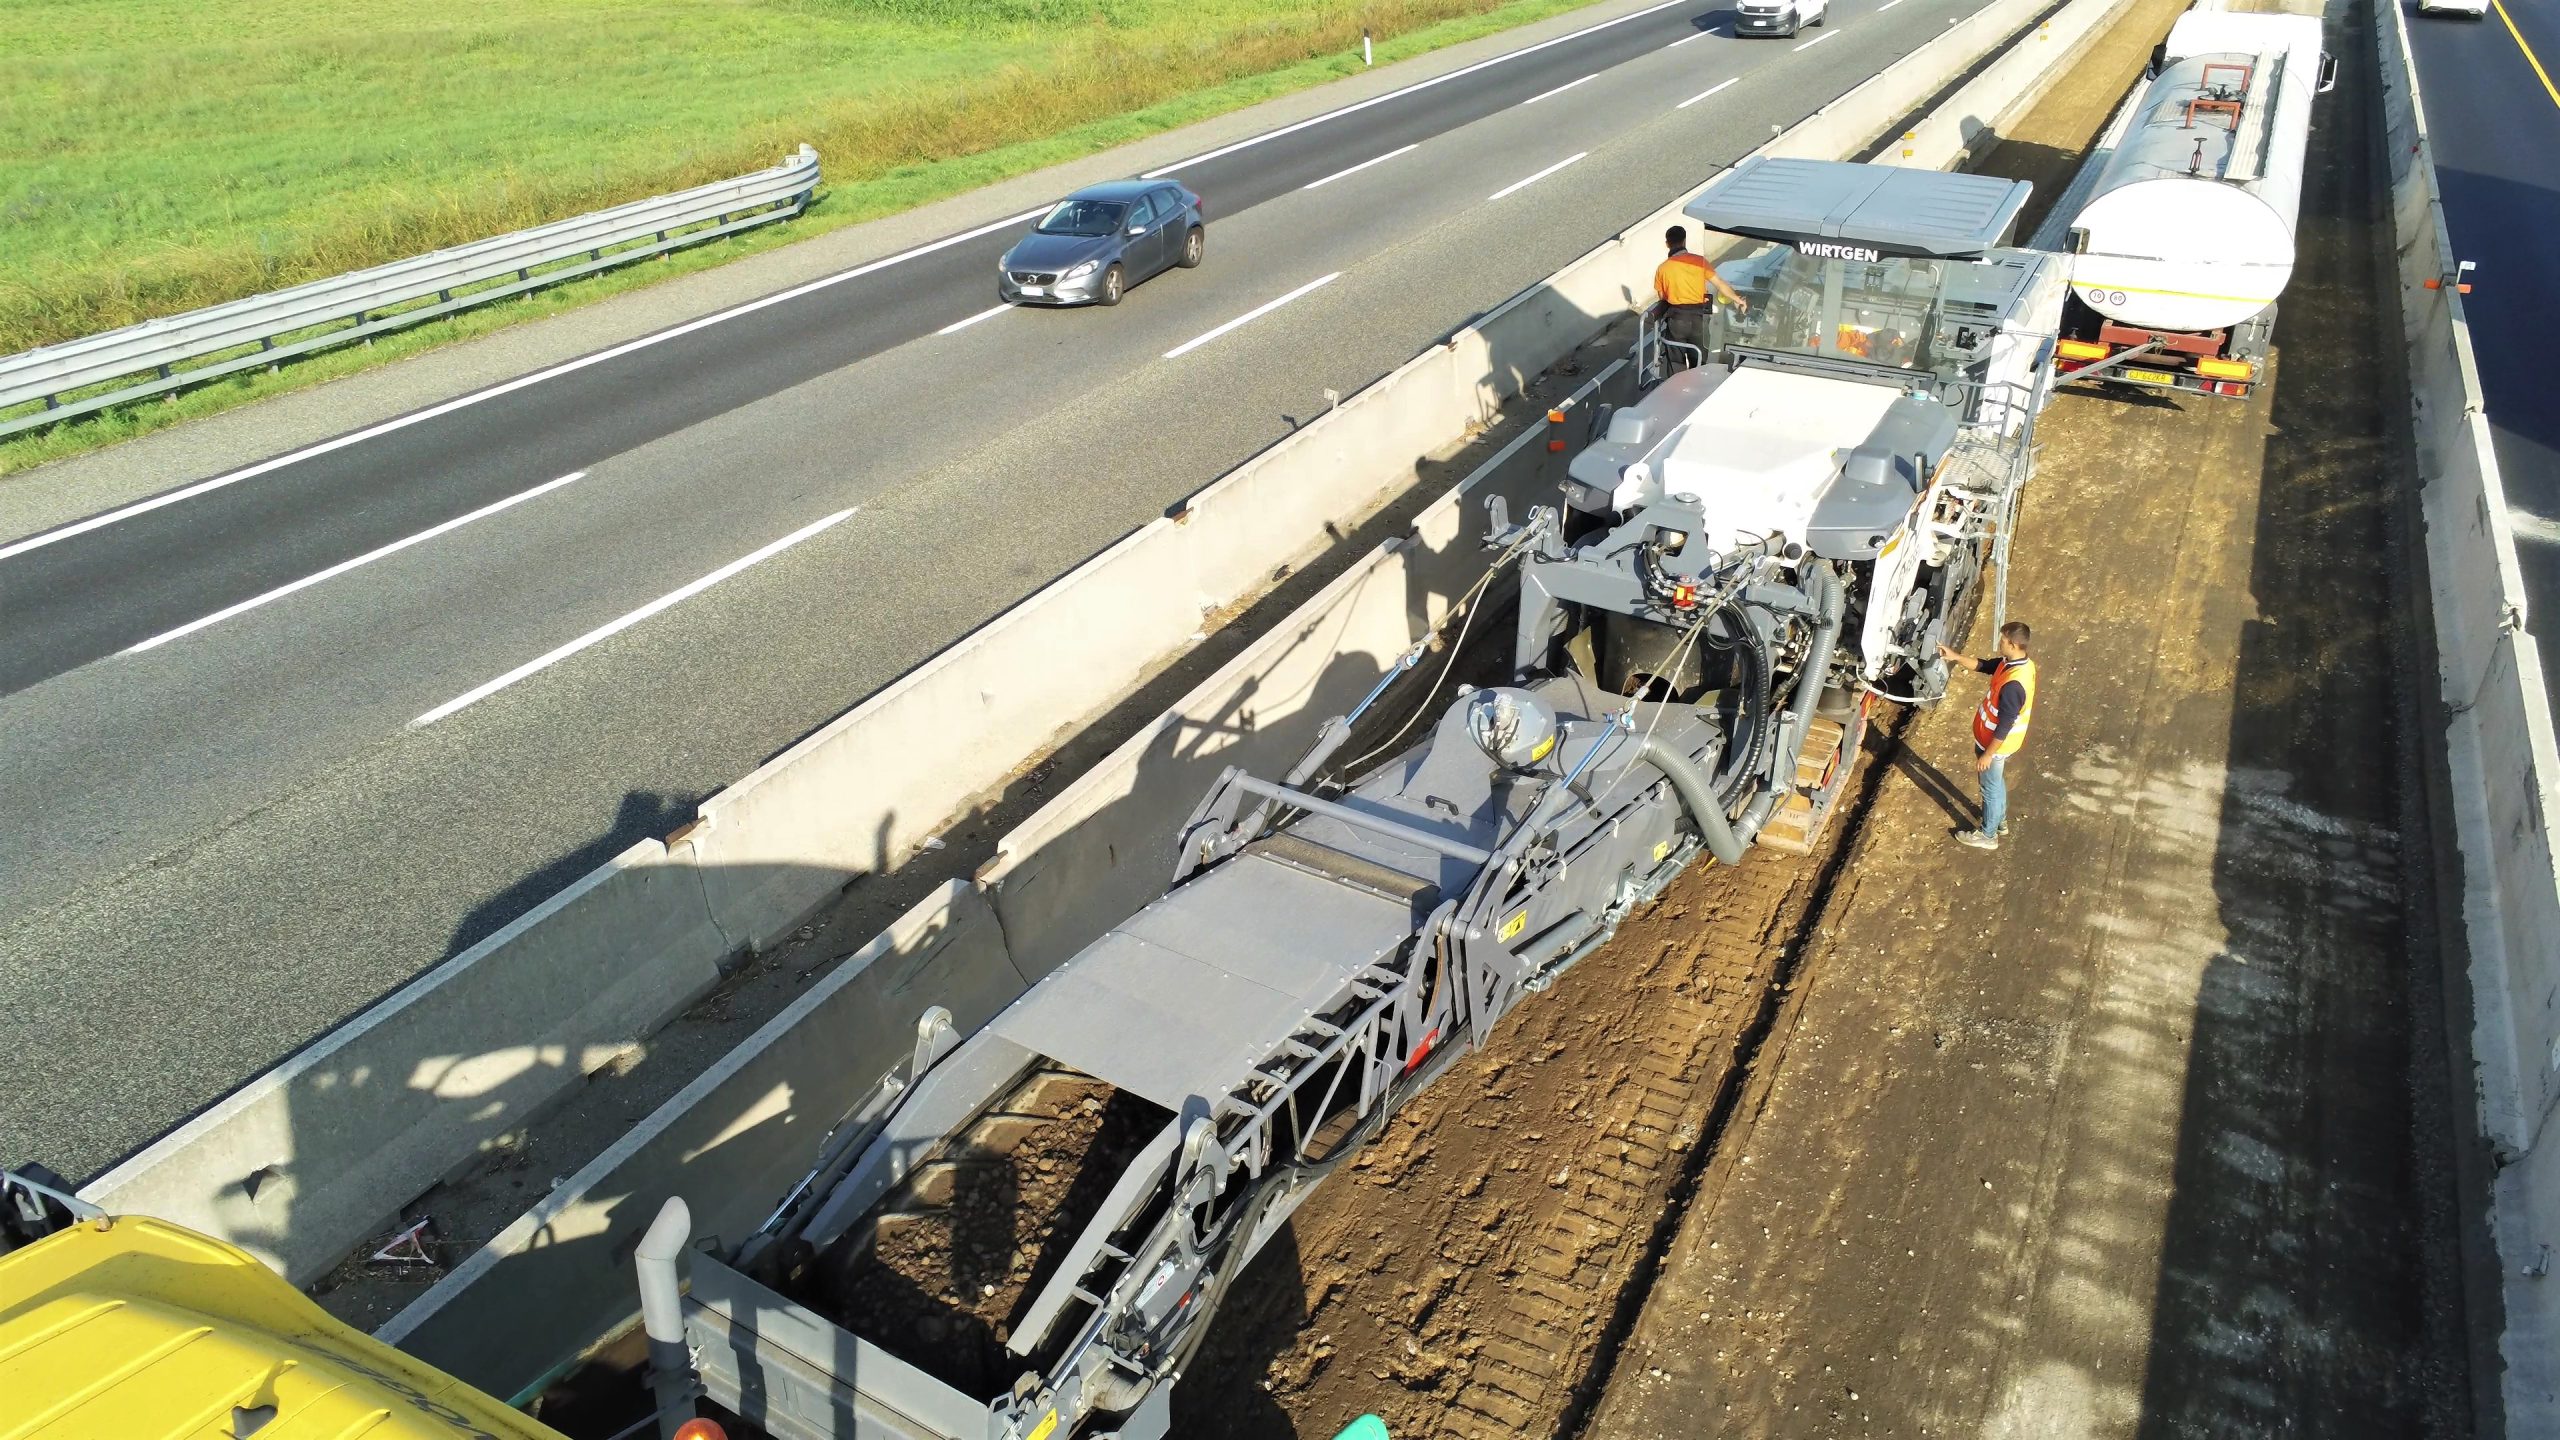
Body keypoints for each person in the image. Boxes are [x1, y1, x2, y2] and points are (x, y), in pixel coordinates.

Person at [1936, 621, 2036, 850]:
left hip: (1995, 744)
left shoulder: (2014, 684)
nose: (1999, 643)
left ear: (2012, 644)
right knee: (1995, 783)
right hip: (1990, 740)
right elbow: (1985, 665)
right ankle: (1999, 822)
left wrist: (1988, 755)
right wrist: (1956, 657)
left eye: (2002, 640)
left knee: (1989, 788)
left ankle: (1988, 835)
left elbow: (2005, 724)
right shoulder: (2015, 664)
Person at [1653, 225, 1746, 372]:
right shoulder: (1699, 261)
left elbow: (1662, 297)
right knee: (1699, 359)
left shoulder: (1663, 268)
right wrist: (1738, 299)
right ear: (1684, 241)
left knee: (1676, 361)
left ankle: (1677, 391)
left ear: (1667, 244)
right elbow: (1719, 283)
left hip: (1676, 320)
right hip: (1698, 319)